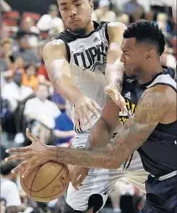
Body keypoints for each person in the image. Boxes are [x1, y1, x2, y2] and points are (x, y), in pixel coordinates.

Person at [6, 20, 177, 213]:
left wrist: (51, 152)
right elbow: (105, 123)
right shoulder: (127, 82)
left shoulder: (160, 95)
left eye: (127, 53)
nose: (121, 59)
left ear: (149, 55)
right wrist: (86, 159)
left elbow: (113, 156)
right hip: (158, 184)